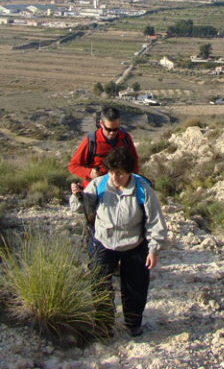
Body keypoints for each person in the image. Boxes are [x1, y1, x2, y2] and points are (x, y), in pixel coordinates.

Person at [69, 146, 167, 337]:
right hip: (103, 242)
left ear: (129, 172)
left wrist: (154, 250)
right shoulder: (99, 184)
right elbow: (77, 207)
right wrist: (76, 195)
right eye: (112, 172)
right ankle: (104, 324)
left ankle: (132, 323)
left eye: (120, 174)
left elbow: (156, 222)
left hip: (134, 244)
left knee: (135, 287)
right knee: (99, 283)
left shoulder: (142, 190)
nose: (115, 178)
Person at [69, 106, 139, 194]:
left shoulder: (125, 139)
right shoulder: (91, 141)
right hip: (96, 190)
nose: (112, 133)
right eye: (108, 129)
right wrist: (89, 172)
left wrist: (132, 180)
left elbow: (134, 162)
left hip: (121, 189)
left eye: (116, 129)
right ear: (101, 123)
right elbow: (73, 166)